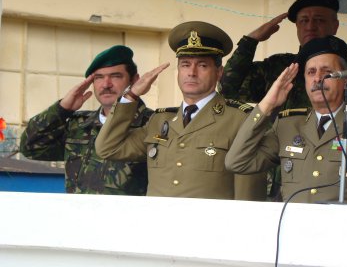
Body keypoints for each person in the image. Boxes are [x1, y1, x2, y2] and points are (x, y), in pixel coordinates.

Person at [95, 21, 266, 200]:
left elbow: (248, 192)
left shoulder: (240, 119)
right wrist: (131, 95)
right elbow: (107, 148)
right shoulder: (160, 120)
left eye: (202, 65)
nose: (192, 72)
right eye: (185, 65)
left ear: (219, 72)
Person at [225, 35, 347, 204]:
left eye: (327, 72)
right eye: (311, 72)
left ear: (346, 80)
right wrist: (267, 105)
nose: (317, 78)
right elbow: (237, 162)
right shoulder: (287, 124)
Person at [20, 45, 151, 195]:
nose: (106, 84)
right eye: (98, 78)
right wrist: (62, 110)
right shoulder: (79, 125)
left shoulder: (153, 124)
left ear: (135, 81)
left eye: (115, 76)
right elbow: (30, 148)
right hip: (79, 210)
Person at [220, 0, 347, 110]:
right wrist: (250, 41)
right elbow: (228, 89)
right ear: (297, 26)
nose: (310, 26)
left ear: (335, 26)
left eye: (319, 20)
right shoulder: (279, 67)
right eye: (304, 21)